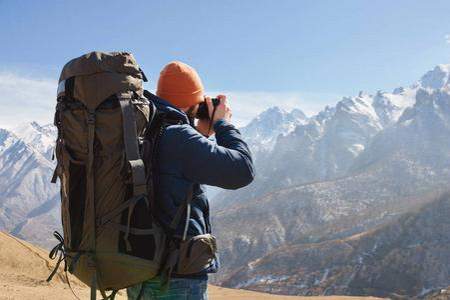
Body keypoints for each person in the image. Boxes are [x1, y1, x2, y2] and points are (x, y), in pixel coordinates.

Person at [127, 61, 255, 300]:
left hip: (140, 271)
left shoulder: (144, 131)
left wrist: (201, 137)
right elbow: (242, 170)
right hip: (176, 279)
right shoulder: (178, 137)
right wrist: (223, 125)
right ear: (190, 102)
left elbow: (171, 171)